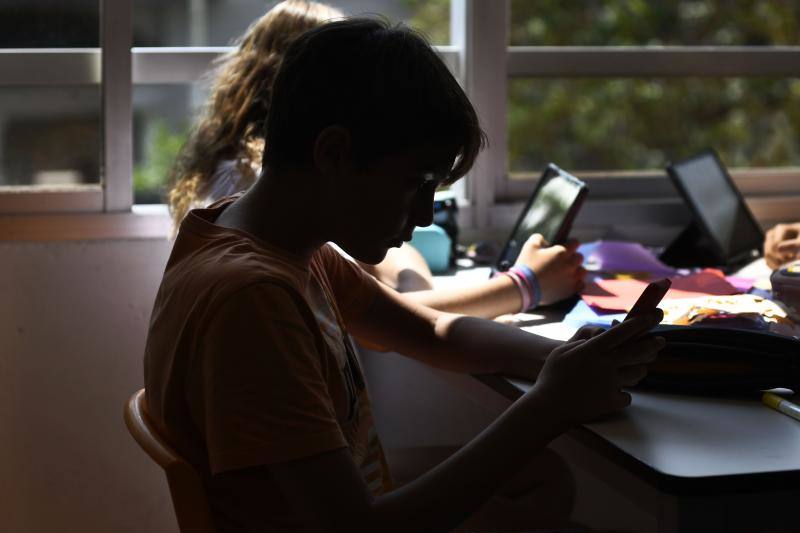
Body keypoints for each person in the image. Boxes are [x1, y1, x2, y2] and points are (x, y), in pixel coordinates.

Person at [144, 17, 664, 531]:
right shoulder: (253, 297)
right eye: (415, 182)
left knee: (542, 477)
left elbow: (430, 331)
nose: (423, 215)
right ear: (333, 154)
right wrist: (551, 405)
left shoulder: (283, 247)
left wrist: (575, 361)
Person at [166, 0, 585, 319]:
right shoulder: (263, 239)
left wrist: (413, 289)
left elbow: (401, 283)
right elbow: (404, 309)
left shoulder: (293, 227)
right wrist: (524, 285)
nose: (422, 216)